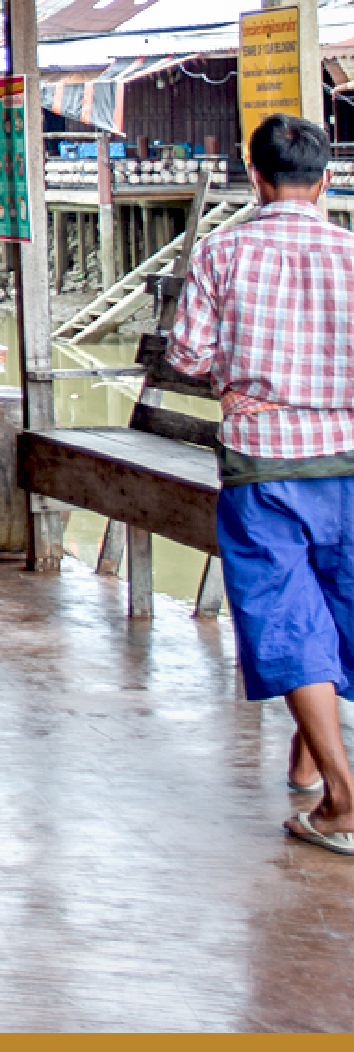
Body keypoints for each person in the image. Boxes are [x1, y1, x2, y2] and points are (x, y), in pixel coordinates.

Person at [168, 111, 354, 856]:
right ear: (327, 180)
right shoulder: (351, 251)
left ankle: (343, 799)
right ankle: (313, 762)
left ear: (256, 177)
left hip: (264, 462)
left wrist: (232, 382)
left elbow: (186, 353)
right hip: (348, 457)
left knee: (284, 618)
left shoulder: (224, 249)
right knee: (339, 606)